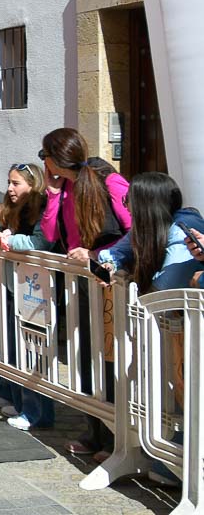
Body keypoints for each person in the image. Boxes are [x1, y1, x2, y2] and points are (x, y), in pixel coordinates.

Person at [96, 172, 204, 485]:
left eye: (130, 201)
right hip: (175, 329)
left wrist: (135, 276)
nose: (126, 206)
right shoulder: (149, 227)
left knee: (187, 395)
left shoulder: (180, 229)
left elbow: (166, 287)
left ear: (147, 204)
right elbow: (112, 253)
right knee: (179, 396)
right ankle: (173, 461)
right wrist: (113, 265)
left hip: (185, 329)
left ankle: (182, 465)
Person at [39, 127, 131, 458]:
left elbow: (135, 229)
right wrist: (52, 194)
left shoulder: (109, 180)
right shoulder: (64, 188)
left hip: (109, 281)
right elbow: (51, 233)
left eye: (44, 155)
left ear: (54, 159)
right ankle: (95, 431)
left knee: (111, 358)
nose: (43, 162)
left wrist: (97, 255)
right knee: (86, 357)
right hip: (81, 283)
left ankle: (118, 438)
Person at [0, 163, 56, 432]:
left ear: (32, 184)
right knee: (18, 348)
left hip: (38, 288)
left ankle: (37, 413)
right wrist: (1, 235)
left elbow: (40, 242)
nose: (10, 188)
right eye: (9, 182)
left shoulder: (42, 207)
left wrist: (7, 242)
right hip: (20, 286)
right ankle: (22, 402)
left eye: (16, 183)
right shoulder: (17, 209)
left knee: (34, 351)